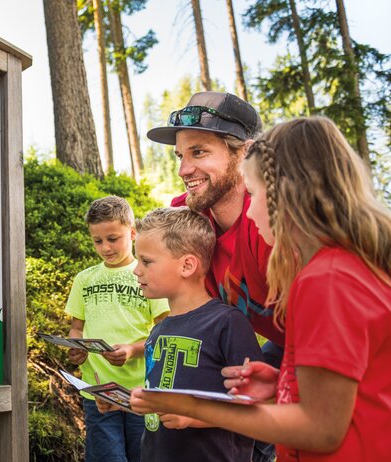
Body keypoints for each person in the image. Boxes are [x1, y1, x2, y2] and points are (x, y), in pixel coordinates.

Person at [129, 117, 391, 461]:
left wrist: (196, 407)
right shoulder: (337, 271)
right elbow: (350, 390)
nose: (251, 211)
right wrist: (282, 385)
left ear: (284, 197)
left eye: (254, 194)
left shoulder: (328, 280)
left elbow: (322, 427)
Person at [121, 206, 262, 462]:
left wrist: (195, 417)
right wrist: (127, 401)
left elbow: (258, 407)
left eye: (147, 261)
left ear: (187, 265)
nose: (136, 270)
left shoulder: (227, 323)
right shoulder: (159, 330)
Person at [147, 91, 284, 350]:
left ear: (246, 153)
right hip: (287, 344)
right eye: (180, 156)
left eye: (198, 152)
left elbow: (333, 326)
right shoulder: (187, 217)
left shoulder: (271, 219)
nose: (183, 170)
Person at [65, 196, 169, 462]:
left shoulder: (148, 274)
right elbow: (77, 328)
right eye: (97, 241)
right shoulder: (84, 279)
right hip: (98, 390)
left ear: (132, 233)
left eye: (113, 239)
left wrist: (133, 350)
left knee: (142, 455)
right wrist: (75, 348)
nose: (105, 248)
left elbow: (163, 332)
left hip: (141, 391)